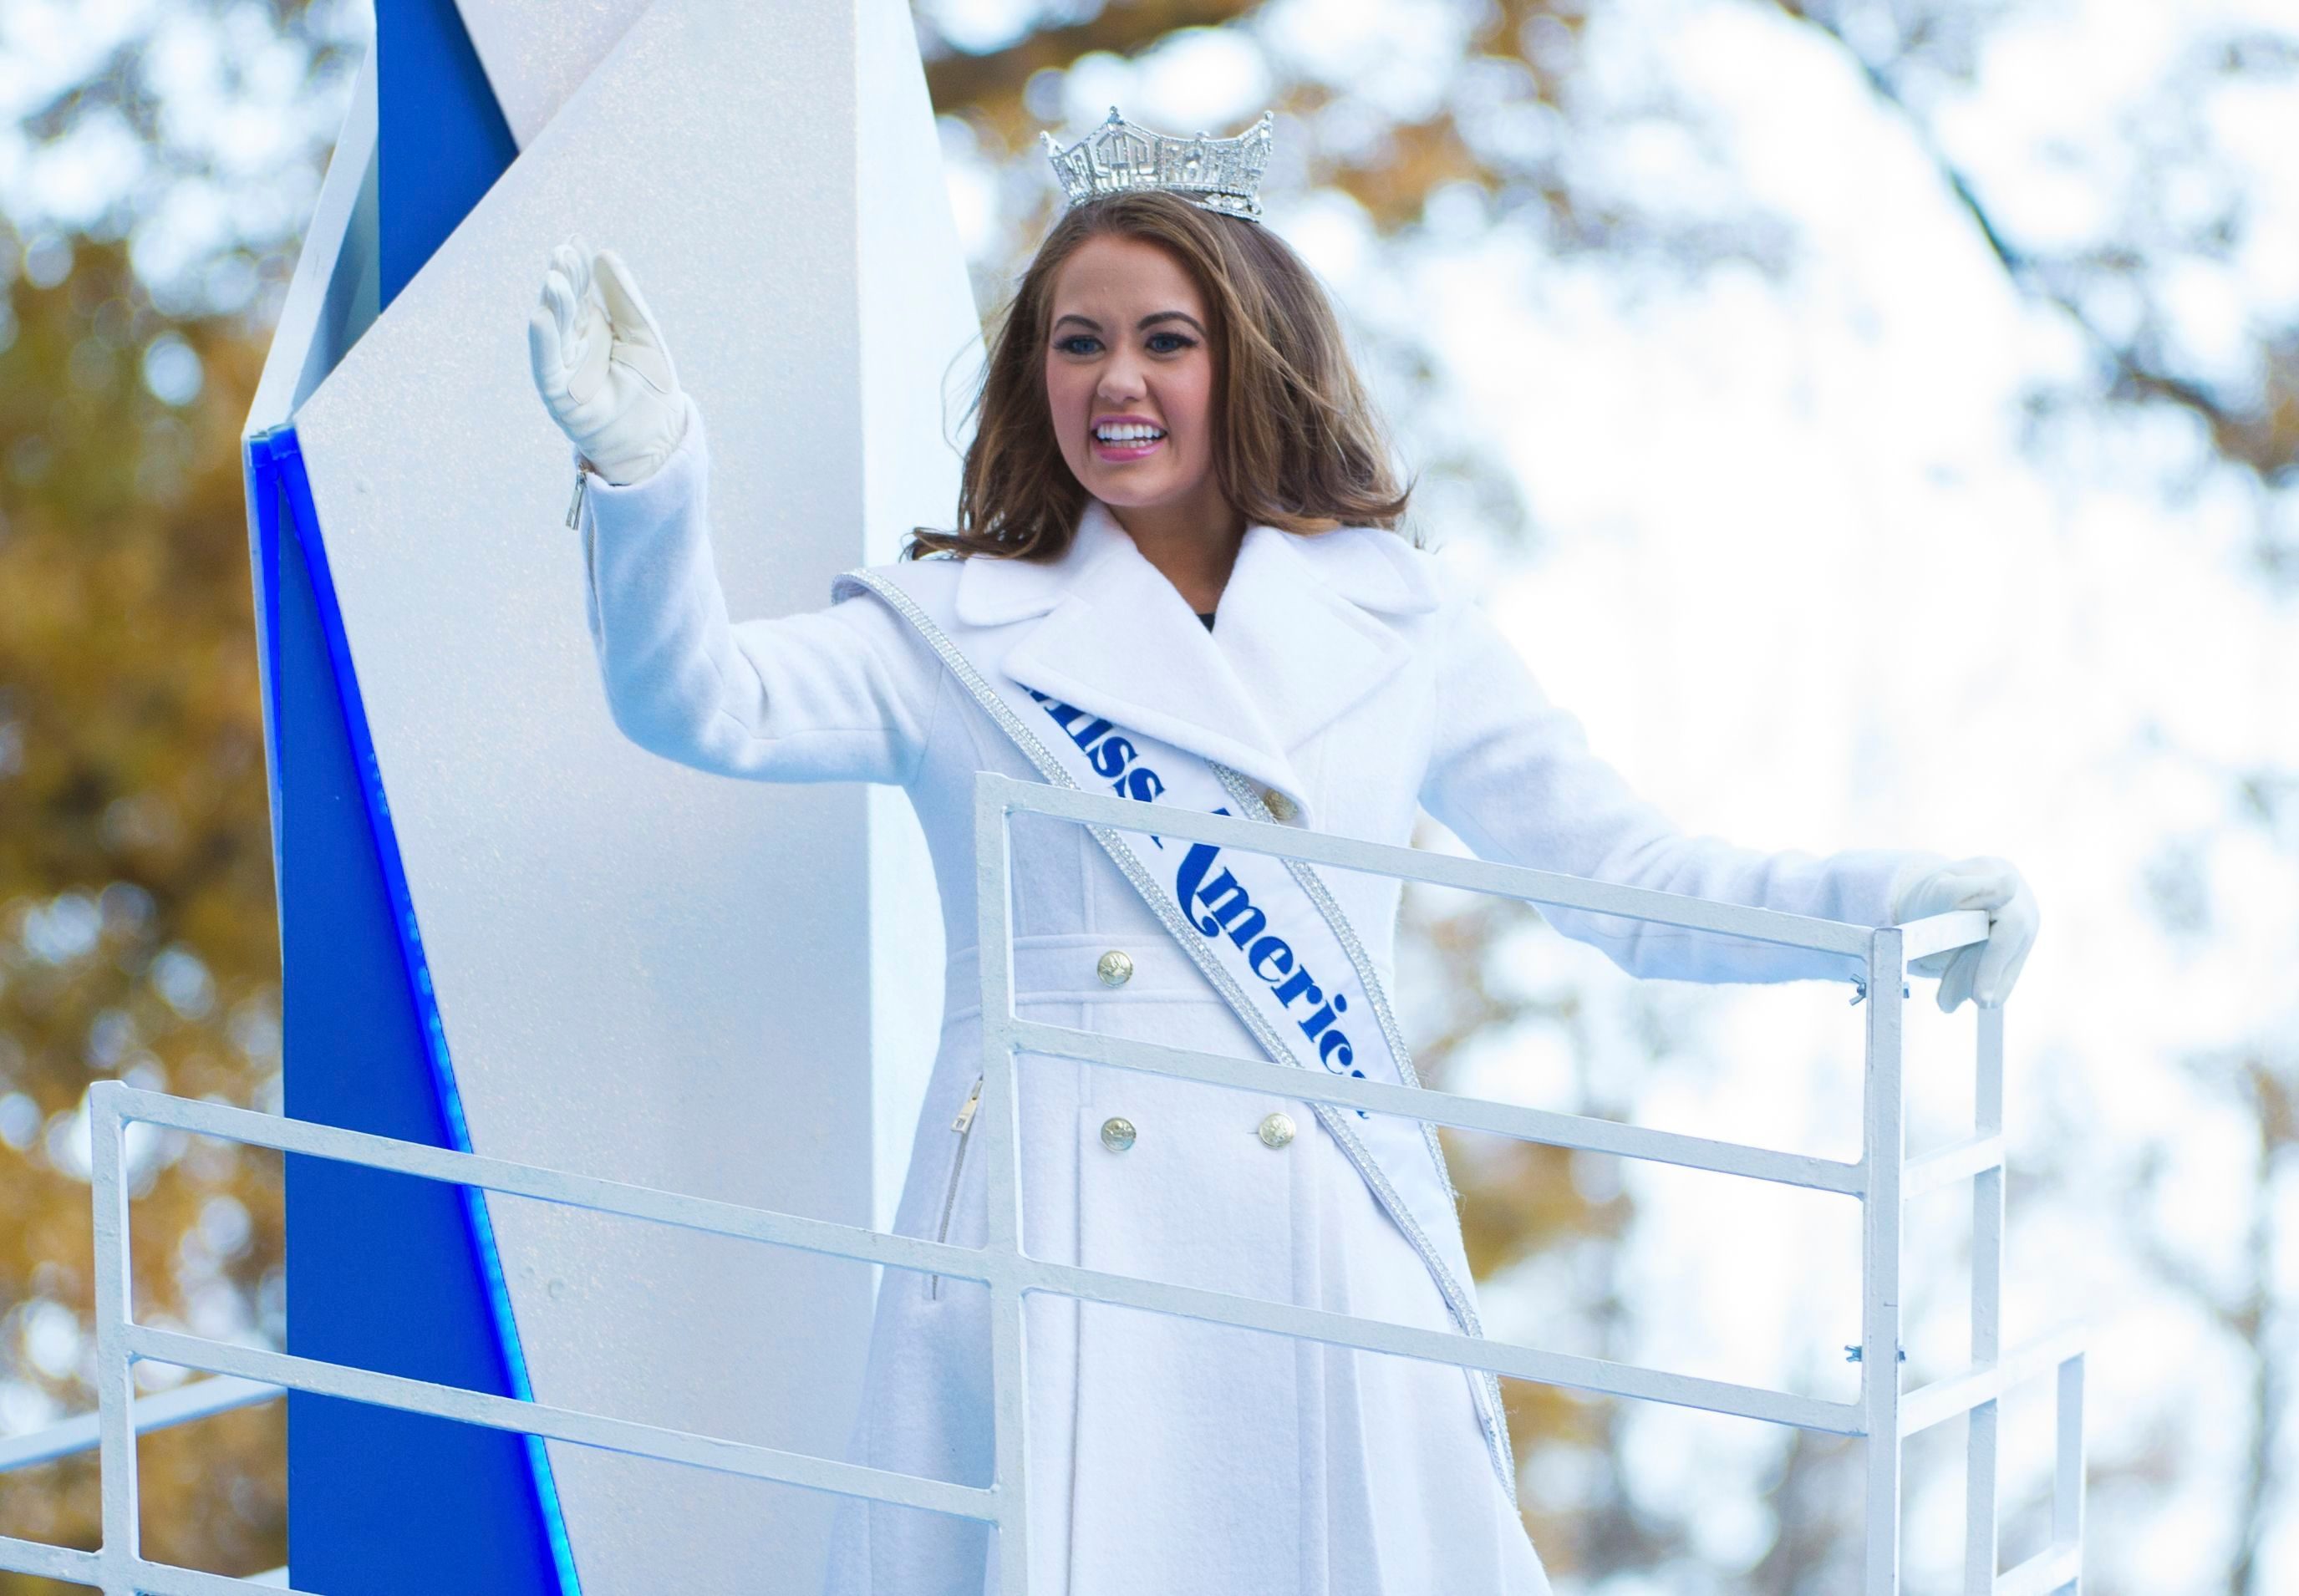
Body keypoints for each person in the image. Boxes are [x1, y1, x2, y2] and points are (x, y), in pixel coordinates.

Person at [527, 108, 2037, 1596]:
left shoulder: (1400, 622)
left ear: (1248, 355)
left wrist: (1886, 903)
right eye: (1075, 341)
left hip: (1321, 1238)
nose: (1115, 379)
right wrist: (649, 474)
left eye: (1164, 339)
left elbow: (1627, 880)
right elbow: (702, 700)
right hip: (1048, 1236)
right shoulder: (950, 634)